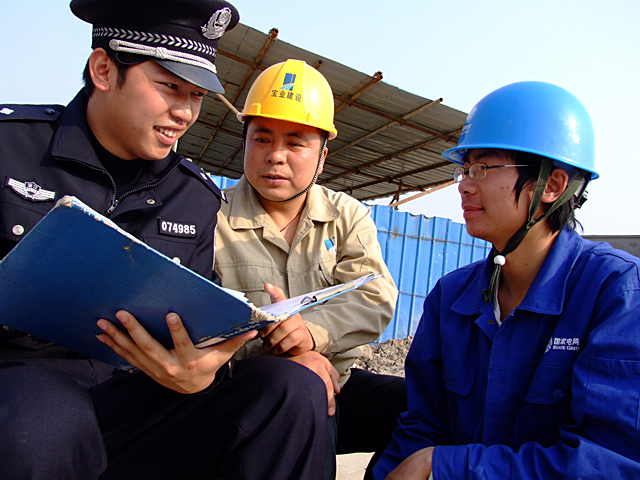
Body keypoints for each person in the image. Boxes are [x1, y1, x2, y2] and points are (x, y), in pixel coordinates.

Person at [0, 2, 331, 479]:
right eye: (170, 87)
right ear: (103, 70)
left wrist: (202, 367)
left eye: (197, 95)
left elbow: (196, 328)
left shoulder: (192, 197)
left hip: (133, 404)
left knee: (290, 390)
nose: (185, 113)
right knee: (47, 418)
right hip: (21, 404)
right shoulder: (12, 149)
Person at [373, 80, 640, 479]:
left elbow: (609, 461)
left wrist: (447, 467)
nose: (464, 184)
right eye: (464, 168)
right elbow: (422, 427)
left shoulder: (615, 293)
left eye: (483, 167)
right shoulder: (451, 297)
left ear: (551, 185)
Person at [214, 59, 405, 478]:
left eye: (295, 143)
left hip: (337, 380)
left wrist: (311, 334)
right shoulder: (212, 217)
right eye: (261, 139)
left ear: (321, 155)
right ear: (244, 141)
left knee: (425, 408)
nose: (275, 156)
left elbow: (374, 295)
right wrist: (291, 352)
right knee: (302, 394)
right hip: (250, 391)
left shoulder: (346, 215)